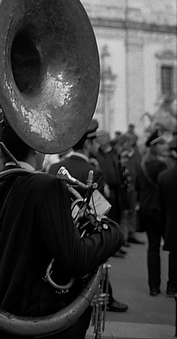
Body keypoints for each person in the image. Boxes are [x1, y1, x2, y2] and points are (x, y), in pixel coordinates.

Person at [0, 120, 124, 339]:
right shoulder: (46, 186)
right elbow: (77, 259)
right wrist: (111, 231)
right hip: (28, 321)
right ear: (37, 147)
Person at [49, 120, 128, 313]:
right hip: (83, 235)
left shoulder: (55, 167)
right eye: (94, 143)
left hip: (58, 231)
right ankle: (103, 298)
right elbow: (99, 210)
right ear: (87, 144)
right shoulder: (94, 171)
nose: (96, 146)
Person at [135, 128, 169, 296]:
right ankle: (172, 285)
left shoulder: (143, 164)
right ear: (154, 147)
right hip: (160, 210)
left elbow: (137, 186)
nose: (164, 146)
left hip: (146, 209)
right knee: (172, 246)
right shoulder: (160, 166)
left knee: (153, 247)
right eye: (161, 144)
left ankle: (153, 286)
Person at [158, 137, 177, 297]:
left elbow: (162, 205)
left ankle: (172, 285)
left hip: (172, 223)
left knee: (174, 255)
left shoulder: (165, 176)